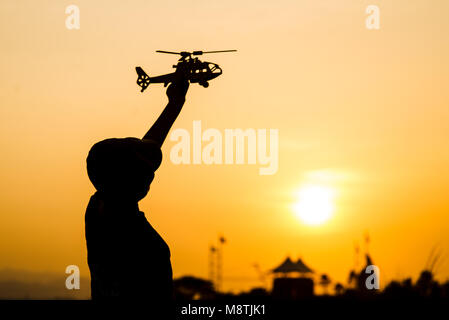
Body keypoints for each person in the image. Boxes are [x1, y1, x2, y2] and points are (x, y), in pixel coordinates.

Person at [84, 79, 189, 304]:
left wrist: (174, 104)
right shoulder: (129, 232)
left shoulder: (98, 208)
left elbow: (148, 149)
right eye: (142, 170)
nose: (150, 174)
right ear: (126, 179)